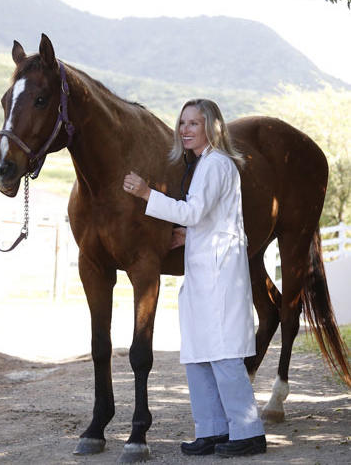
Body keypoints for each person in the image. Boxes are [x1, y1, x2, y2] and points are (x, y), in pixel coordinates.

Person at [123, 98, 266, 458]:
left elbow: (194, 211)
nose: (184, 129)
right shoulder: (204, 165)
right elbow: (213, 217)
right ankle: (213, 428)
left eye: (193, 124)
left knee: (224, 351)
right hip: (203, 267)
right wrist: (191, 236)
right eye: (182, 123)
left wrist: (146, 193)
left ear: (211, 128)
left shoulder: (217, 164)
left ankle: (248, 432)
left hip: (219, 270)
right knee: (199, 351)